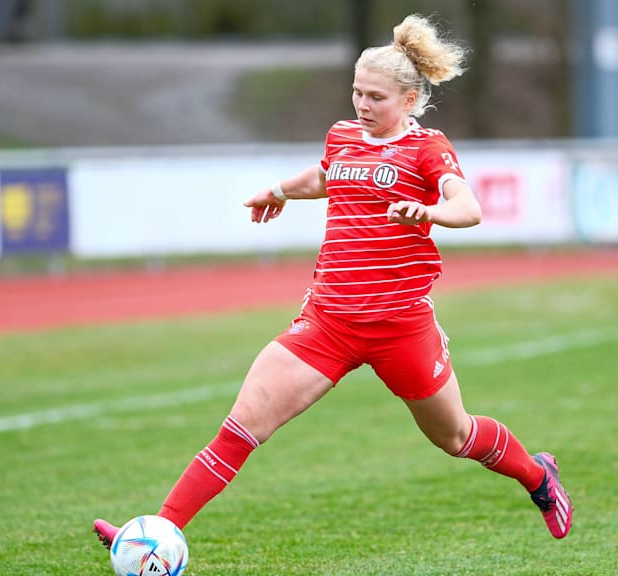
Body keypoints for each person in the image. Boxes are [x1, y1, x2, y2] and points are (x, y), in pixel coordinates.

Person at [93, 14, 573, 551]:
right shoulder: (343, 136)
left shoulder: (427, 148)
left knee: (455, 435)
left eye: (376, 97)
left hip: (400, 326)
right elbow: (326, 175)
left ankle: (538, 475)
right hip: (328, 322)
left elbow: (469, 207)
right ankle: (155, 534)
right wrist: (278, 190)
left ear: (410, 99)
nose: (362, 105)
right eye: (356, 93)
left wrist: (429, 211)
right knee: (242, 427)